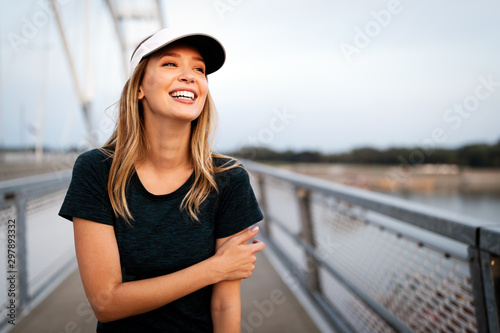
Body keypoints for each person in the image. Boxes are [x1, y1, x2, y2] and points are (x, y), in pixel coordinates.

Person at [58, 28, 265, 333]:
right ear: (139, 87)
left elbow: (224, 304)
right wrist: (214, 269)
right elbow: (106, 302)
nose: (189, 76)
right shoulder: (96, 171)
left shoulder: (229, 179)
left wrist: (220, 273)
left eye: (199, 69)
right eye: (171, 64)